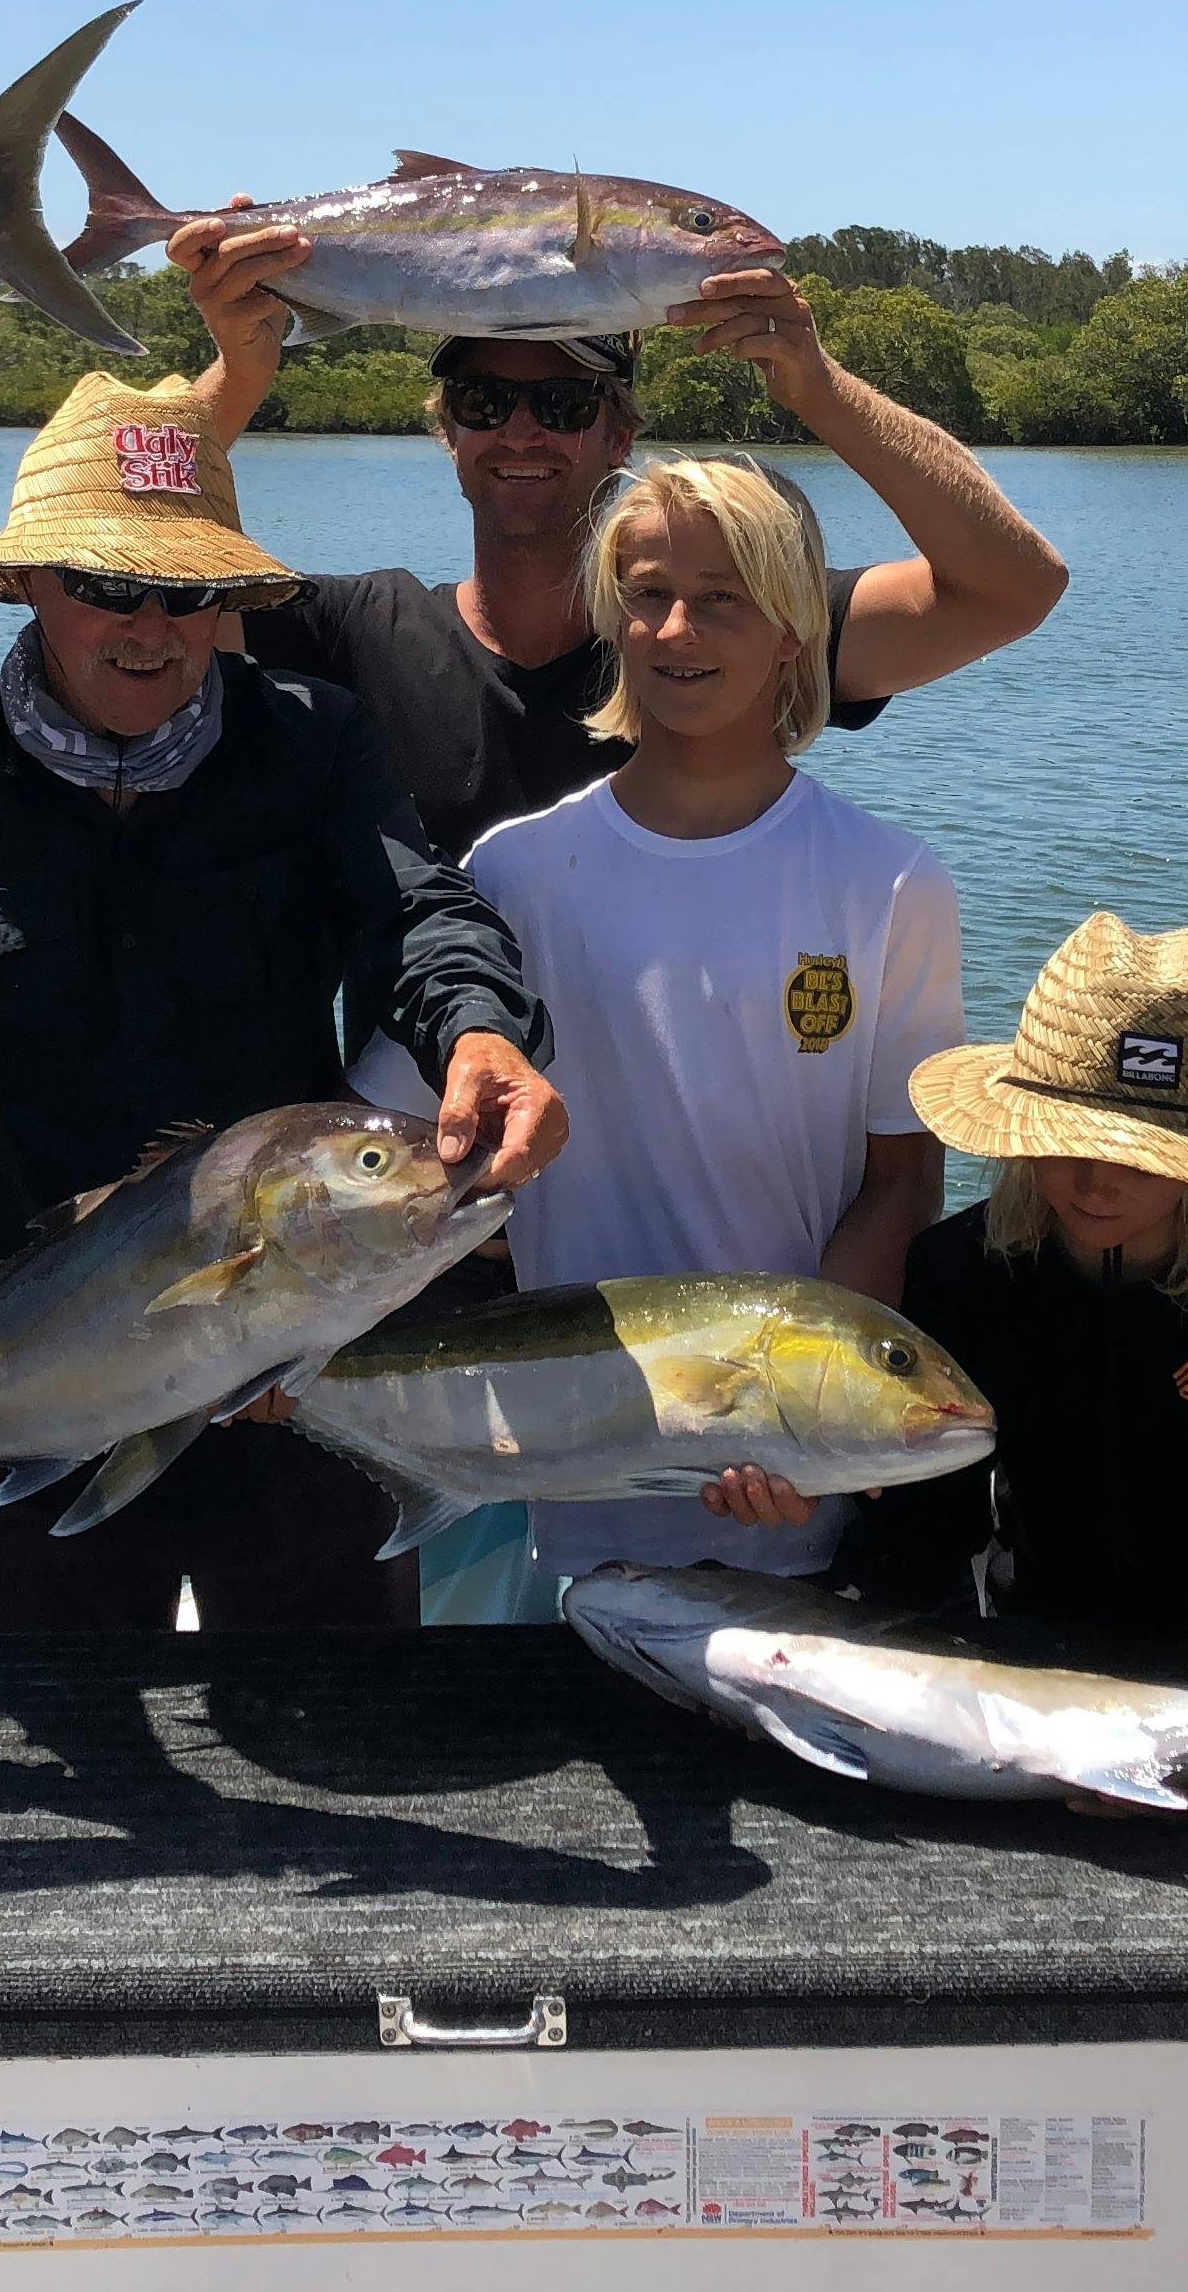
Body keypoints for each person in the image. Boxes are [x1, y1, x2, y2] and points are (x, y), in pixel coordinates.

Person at [0, 372, 567, 1634]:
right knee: (45, 1797)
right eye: (105, 586)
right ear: (29, 582)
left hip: (305, 1406)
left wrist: (478, 1027)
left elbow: (418, 914)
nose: (150, 626)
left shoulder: (317, 744)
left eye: (185, 594)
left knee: (354, 1761)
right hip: (31, 1406)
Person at [356, 453, 964, 1594]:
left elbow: (901, 1184)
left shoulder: (890, 882)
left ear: (795, 628)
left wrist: (801, 1424)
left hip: (788, 1492)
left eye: (724, 598)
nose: (678, 627)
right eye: (646, 592)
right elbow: (393, 1150)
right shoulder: (519, 870)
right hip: (544, 1480)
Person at [172, 218, 1067, 862]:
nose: (521, 432)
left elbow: (1013, 589)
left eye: (563, 405)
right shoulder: (352, 635)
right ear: (449, 431)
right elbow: (131, 569)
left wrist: (820, 389)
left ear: (619, 431)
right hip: (425, 1116)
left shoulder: (722, 632)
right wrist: (241, 371)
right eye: (484, 402)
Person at [834, 912, 1188, 1821]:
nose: (1096, 1182)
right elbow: (920, 1530)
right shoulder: (960, 1271)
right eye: (1069, 1139)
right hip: (1029, 1674)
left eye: (1136, 1153)